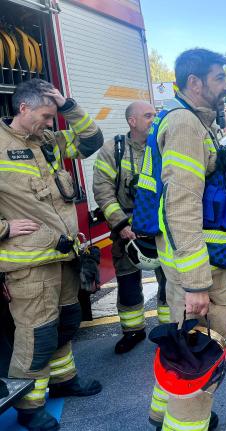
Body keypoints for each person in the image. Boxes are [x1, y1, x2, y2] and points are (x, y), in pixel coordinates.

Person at [0, 78, 104, 430]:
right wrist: (4, 228)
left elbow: (92, 140)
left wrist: (66, 104)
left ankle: (63, 379)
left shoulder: (48, 142)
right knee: (38, 333)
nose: (50, 123)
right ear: (23, 108)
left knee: (66, 323)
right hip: (30, 265)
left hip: (64, 256)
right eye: (46, 115)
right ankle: (28, 407)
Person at [145, 48, 226, 431]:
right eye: (219, 78)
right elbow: (181, 207)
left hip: (191, 262)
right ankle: (184, 425)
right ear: (194, 83)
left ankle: (160, 413)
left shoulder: (191, 121)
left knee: (182, 348)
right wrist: (197, 283)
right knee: (200, 353)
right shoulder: (184, 124)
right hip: (199, 270)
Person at [93, 101, 170, 354]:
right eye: (148, 115)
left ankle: (170, 330)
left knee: (168, 280)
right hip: (127, 230)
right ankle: (133, 331)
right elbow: (103, 191)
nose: (153, 119)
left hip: (160, 226)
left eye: (155, 115)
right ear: (132, 121)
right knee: (127, 285)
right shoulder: (112, 150)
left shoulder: (163, 146)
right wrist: (122, 225)